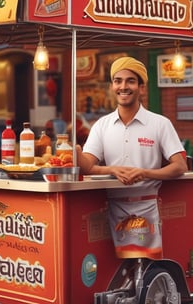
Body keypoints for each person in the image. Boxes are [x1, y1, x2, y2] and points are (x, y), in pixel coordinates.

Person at [77, 56, 187, 260]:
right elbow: (87, 166)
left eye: (130, 81)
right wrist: (75, 153)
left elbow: (180, 166)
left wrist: (145, 172)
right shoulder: (102, 125)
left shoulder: (160, 123)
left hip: (147, 206)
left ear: (142, 88)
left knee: (147, 266)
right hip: (111, 207)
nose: (123, 86)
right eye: (118, 81)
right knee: (114, 271)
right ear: (112, 86)